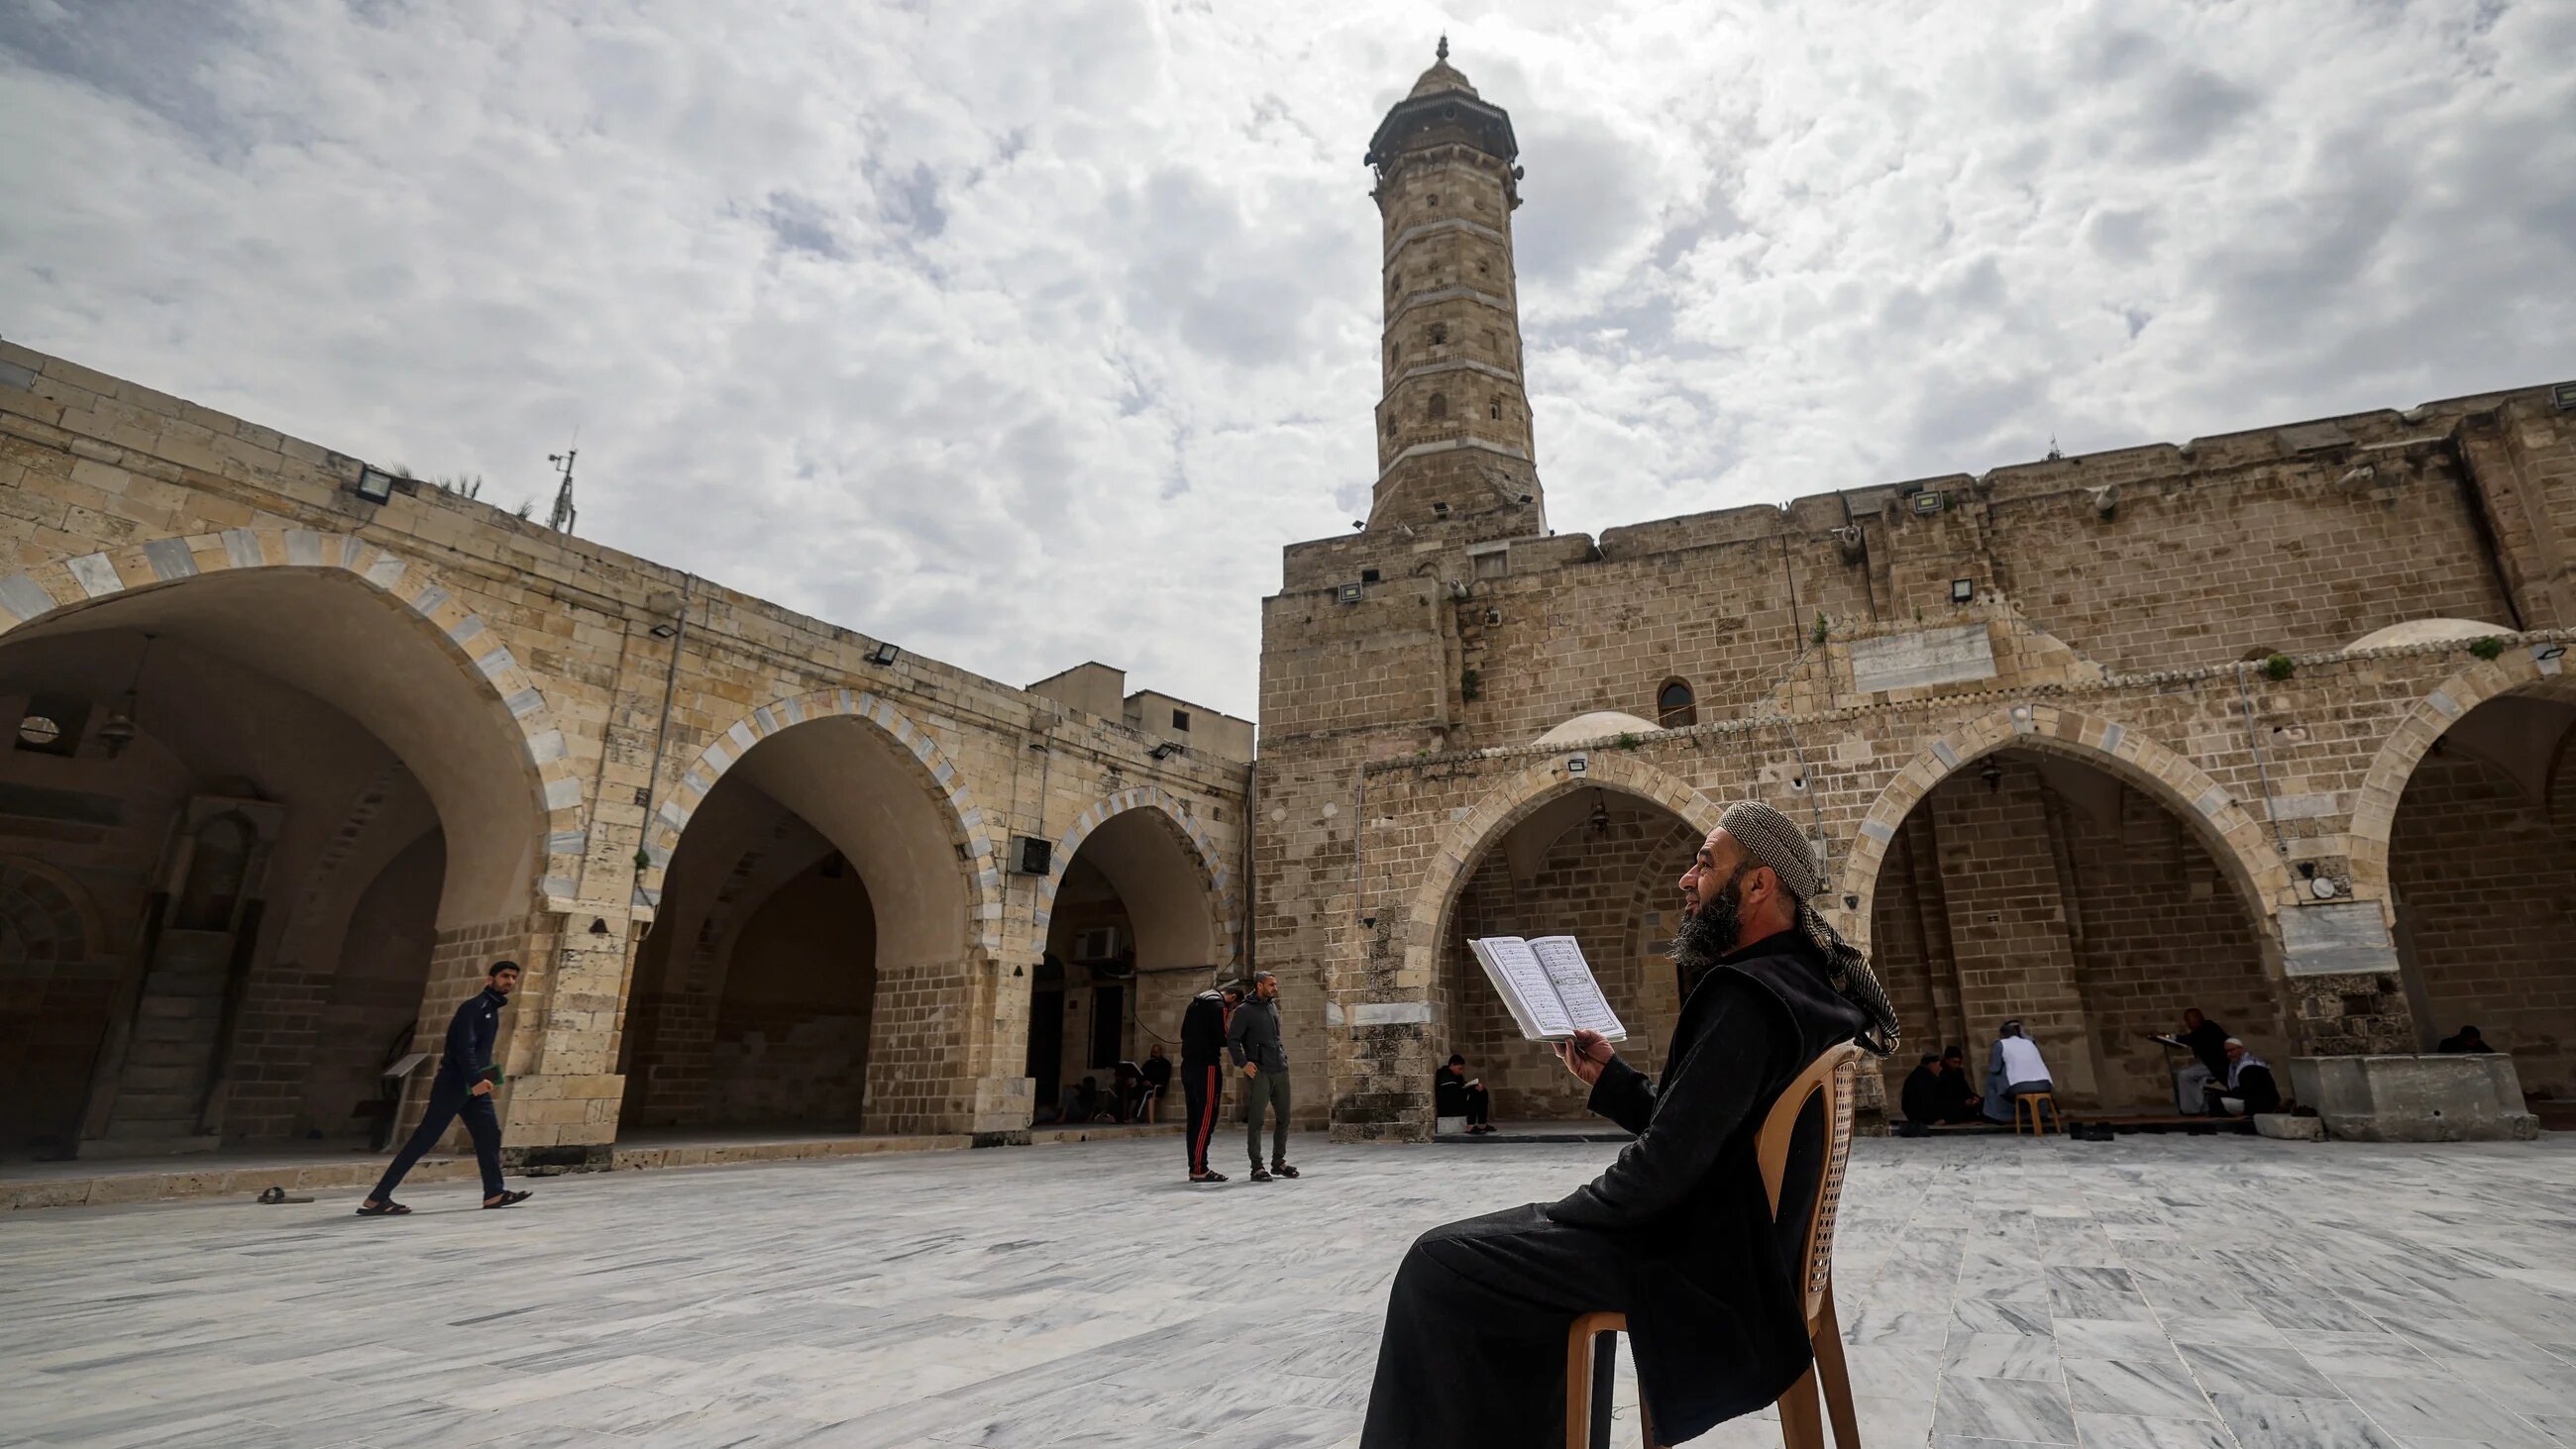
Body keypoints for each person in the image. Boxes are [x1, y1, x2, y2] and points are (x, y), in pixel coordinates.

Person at [1357, 799, 1899, 1449]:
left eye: (1704, 864)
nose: (1685, 879)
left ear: (1758, 884)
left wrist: (1555, 1217)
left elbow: (1656, 1175)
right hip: (1749, 1257)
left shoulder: (1746, 997)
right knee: (1493, 1256)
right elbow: (1705, 1127)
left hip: (1705, 1271)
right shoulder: (1803, 982)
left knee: (1438, 1263)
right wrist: (1612, 1078)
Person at [358, 961, 534, 1215]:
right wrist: (475, 1079)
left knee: (489, 1135)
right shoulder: (475, 1007)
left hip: (474, 1087)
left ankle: (494, 1193)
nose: (510, 982)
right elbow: (464, 1049)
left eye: (514, 978)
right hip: (455, 1084)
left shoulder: (490, 1009)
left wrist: (480, 1080)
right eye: (505, 976)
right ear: (490, 979)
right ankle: (378, 1198)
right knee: (424, 1139)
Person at [1227, 970, 1300, 1182]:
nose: (1275, 988)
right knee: (1257, 1120)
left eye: (1275, 985)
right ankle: (1256, 1167)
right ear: (1259, 985)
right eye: (1271, 985)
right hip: (1260, 1072)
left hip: (1280, 1069)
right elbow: (1233, 1040)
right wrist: (1243, 1063)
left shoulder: (1272, 1006)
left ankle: (1278, 1162)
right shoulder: (1244, 1011)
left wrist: (1283, 1057)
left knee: (1284, 1117)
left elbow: (1276, 1038)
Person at [1179, 981, 1243, 1182]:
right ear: (1232, 998)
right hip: (1206, 1066)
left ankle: (1195, 1165)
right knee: (1207, 1118)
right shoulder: (1217, 1006)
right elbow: (1223, 1037)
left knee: (1194, 1119)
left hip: (1187, 1066)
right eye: (1232, 1008)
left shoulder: (1195, 1003)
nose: (1230, 1011)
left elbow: (1182, 1033)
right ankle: (1200, 1168)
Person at [2159, 1007, 2231, 1113]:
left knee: (2186, 1075)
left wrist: (2166, 1035)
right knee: (2185, 1075)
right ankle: (2193, 1108)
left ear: (2199, 1018)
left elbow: (2188, 1039)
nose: (2188, 1024)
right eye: (2187, 1021)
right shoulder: (2201, 1030)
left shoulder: (2208, 1027)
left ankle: (2194, 1109)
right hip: (2209, 1066)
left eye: (2190, 1021)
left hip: (2219, 1066)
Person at [1982, 1019, 2052, 1124]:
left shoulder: (2001, 1044)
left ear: (2002, 1034)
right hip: (2045, 1085)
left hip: (2019, 1086)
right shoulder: (2029, 1042)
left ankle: (1995, 1115)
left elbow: (1994, 1068)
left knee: (1992, 1080)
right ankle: (2040, 1114)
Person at [1901, 1047, 1981, 1127]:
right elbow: (1928, 1103)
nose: (1940, 1068)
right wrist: (1932, 1121)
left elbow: (1964, 1089)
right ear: (1931, 1064)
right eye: (1938, 1065)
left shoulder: (1924, 1075)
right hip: (1922, 1118)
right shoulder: (1925, 1079)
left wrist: (1973, 1097)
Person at [2203, 1039, 2281, 1116]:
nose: (2229, 1054)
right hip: (2251, 1100)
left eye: (2231, 1050)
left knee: (2219, 1102)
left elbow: (2250, 1092)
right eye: (2227, 1052)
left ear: (2241, 1049)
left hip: (2262, 1104)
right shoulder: (2234, 1066)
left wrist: (2224, 1094)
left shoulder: (2251, 1066)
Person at [1437, 1054, 1494, 1134]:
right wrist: (1469, 1090)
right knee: (1473, 1094)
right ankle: (1470, 1126)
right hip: (1449, 1106)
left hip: (1458, 1100)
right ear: (1452, 1065)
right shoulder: (1444, 1074)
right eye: (1459, 1069)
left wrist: (1477, 1087)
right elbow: (1451, 1093)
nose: (1461, 1071)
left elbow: (1462, 1086)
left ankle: (1482, 1124)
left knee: (1482, 1091)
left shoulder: (1458, 1076)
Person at [1139, 1043, 1174, 1123]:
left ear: (1160, 1052)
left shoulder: (1165, 1064)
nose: (1153, 1054)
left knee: (1146, 1092)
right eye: (1152, 1052)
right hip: (1145, 1086)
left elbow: (1163, 1078)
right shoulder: (1148, 1063)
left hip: (1157, 1088)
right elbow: (1141, 1073)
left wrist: (1151, 1083)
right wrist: (1143, 1081)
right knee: (1133, 1090)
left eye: (1155, 1052)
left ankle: (1137, 1116)